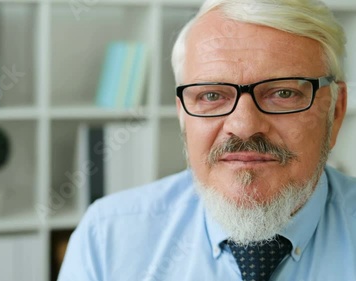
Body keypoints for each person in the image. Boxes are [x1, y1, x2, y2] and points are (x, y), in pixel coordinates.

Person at [58, 0, 356, 280]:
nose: (243, 126)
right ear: (183, 116)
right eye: (212, 95)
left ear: (336, 111)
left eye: (283, 93)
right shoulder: (106, 238)